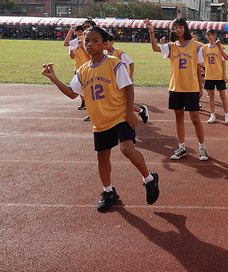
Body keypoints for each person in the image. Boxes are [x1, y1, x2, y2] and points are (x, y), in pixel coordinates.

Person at [41, 26, 159, 212]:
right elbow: (73, 94)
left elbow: (128, 87)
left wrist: (130, 111)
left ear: (104, 44)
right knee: (102, 157)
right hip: (100, 121)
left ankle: (149, 179)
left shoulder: (114, 63)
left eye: (95, 41)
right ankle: (108, 191)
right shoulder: (82, 71)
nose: (90, 44)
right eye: (87, 41)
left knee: (127, 148)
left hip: (120, 115)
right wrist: (54, 78)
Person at [144, 18, 208, 161]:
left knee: (195, 119)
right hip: (175, 87)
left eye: (180, 27)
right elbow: (155, 48)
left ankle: (202, 148)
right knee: (178, 118)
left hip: (191, 88)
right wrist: (151, 31)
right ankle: (182, 147)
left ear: (185, 28)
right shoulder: (171, 46)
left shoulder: (196, 46)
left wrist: (200, 87)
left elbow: (198, 68)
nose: (178, 30)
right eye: (175, 27)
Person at [104, 34, 150, 123]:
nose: (104, 46)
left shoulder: (118, 52)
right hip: (113, 82)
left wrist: (130, 77)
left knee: (123, 103)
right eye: (103, 44)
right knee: (118, 102)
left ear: (112, 42)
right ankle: (140, 111)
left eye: (106, 44)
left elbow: (131, 63)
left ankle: (141, 111)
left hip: (123, 81)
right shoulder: (105, 54)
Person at [202, 28, 228, 124]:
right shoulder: (204, 48)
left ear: (215, 35)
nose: (210, 36)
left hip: (219, 76)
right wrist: (201, 69)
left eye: (211, 34)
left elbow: (224, 62)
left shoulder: (219, 46)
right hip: (209, 76)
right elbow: (201, 61)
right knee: (211, 96)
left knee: (222, 96)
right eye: (208, 35)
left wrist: (224, 75)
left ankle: (227, 115)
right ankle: (212, 115)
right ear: (206, 36)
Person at [63, 24, 90, 112]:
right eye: (78, 31)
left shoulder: (83, 40)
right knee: (80, 87)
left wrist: (70, 32)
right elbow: (72, 56)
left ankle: (89, 103)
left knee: (87, 86)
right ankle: (84, 102)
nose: (79, 33)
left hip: (88, 66)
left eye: (81, 31)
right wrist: (71, 49)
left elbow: (65, 43)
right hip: (78, 67)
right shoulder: (75, 42)